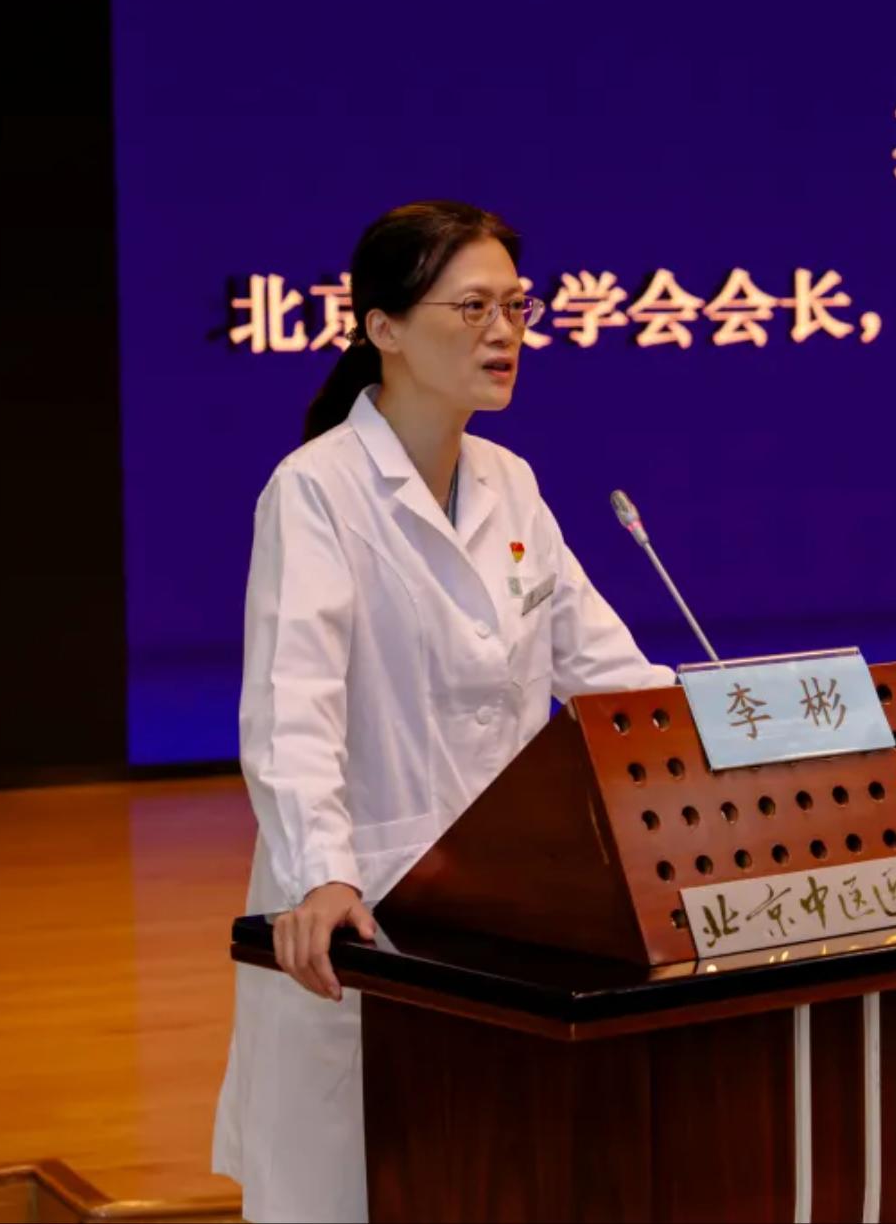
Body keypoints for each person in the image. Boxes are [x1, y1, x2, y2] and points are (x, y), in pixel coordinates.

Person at [211, 201, 675, 1223]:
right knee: (352, 1189)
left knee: (488, 1179)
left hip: (504, 909)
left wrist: (741, 731)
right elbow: (291, 707)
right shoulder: (316, 490)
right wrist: (322, 873)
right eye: (472, 308)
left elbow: (609, 676)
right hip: (366, 907)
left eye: (516, 306)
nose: (503, 332)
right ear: (382, 326)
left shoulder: (511, 483)